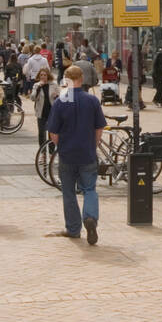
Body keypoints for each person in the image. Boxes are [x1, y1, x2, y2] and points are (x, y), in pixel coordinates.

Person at [45, 65, 106, 244]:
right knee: (89, 189)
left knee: (68, 192)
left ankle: (73, 228)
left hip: (67, 153)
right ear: (82, 79)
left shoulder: (60, 102)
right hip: (87, 152)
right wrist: (94, 143)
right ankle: (90, 218)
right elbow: (99, 127)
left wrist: (60, 145)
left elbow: (53, 132)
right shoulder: (92, 100)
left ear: (66, 80)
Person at [32, 68, 57, 149]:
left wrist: (56, 96)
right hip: (41, 112)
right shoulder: (36, 85)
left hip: (51, 112)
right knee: (41, 133)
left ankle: (51, 152)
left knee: (51, 133)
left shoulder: (54, 85)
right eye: (41, 75)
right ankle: (42, 153)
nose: (43, 77)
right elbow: (32, 98)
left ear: (48, 76)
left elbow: (60, 98)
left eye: (44, 75)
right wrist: (39, 88)